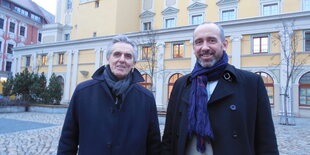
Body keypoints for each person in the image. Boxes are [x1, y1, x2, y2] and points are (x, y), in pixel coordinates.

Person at [161, 22, 279, 155]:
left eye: (211, 40)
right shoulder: (181, 84)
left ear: (224, 45)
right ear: (193, 47)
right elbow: (169, 137)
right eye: (199, 42)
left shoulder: (251, 83)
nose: (205, 47)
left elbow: (266, 140)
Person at [57, 35, 161, 155]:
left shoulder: (146, 98)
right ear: (108, 58)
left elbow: (154, 144)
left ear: (133, 63)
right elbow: (68, 139)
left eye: (128, 56)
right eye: (117, 54)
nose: (122, 59)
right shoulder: (83, 92)